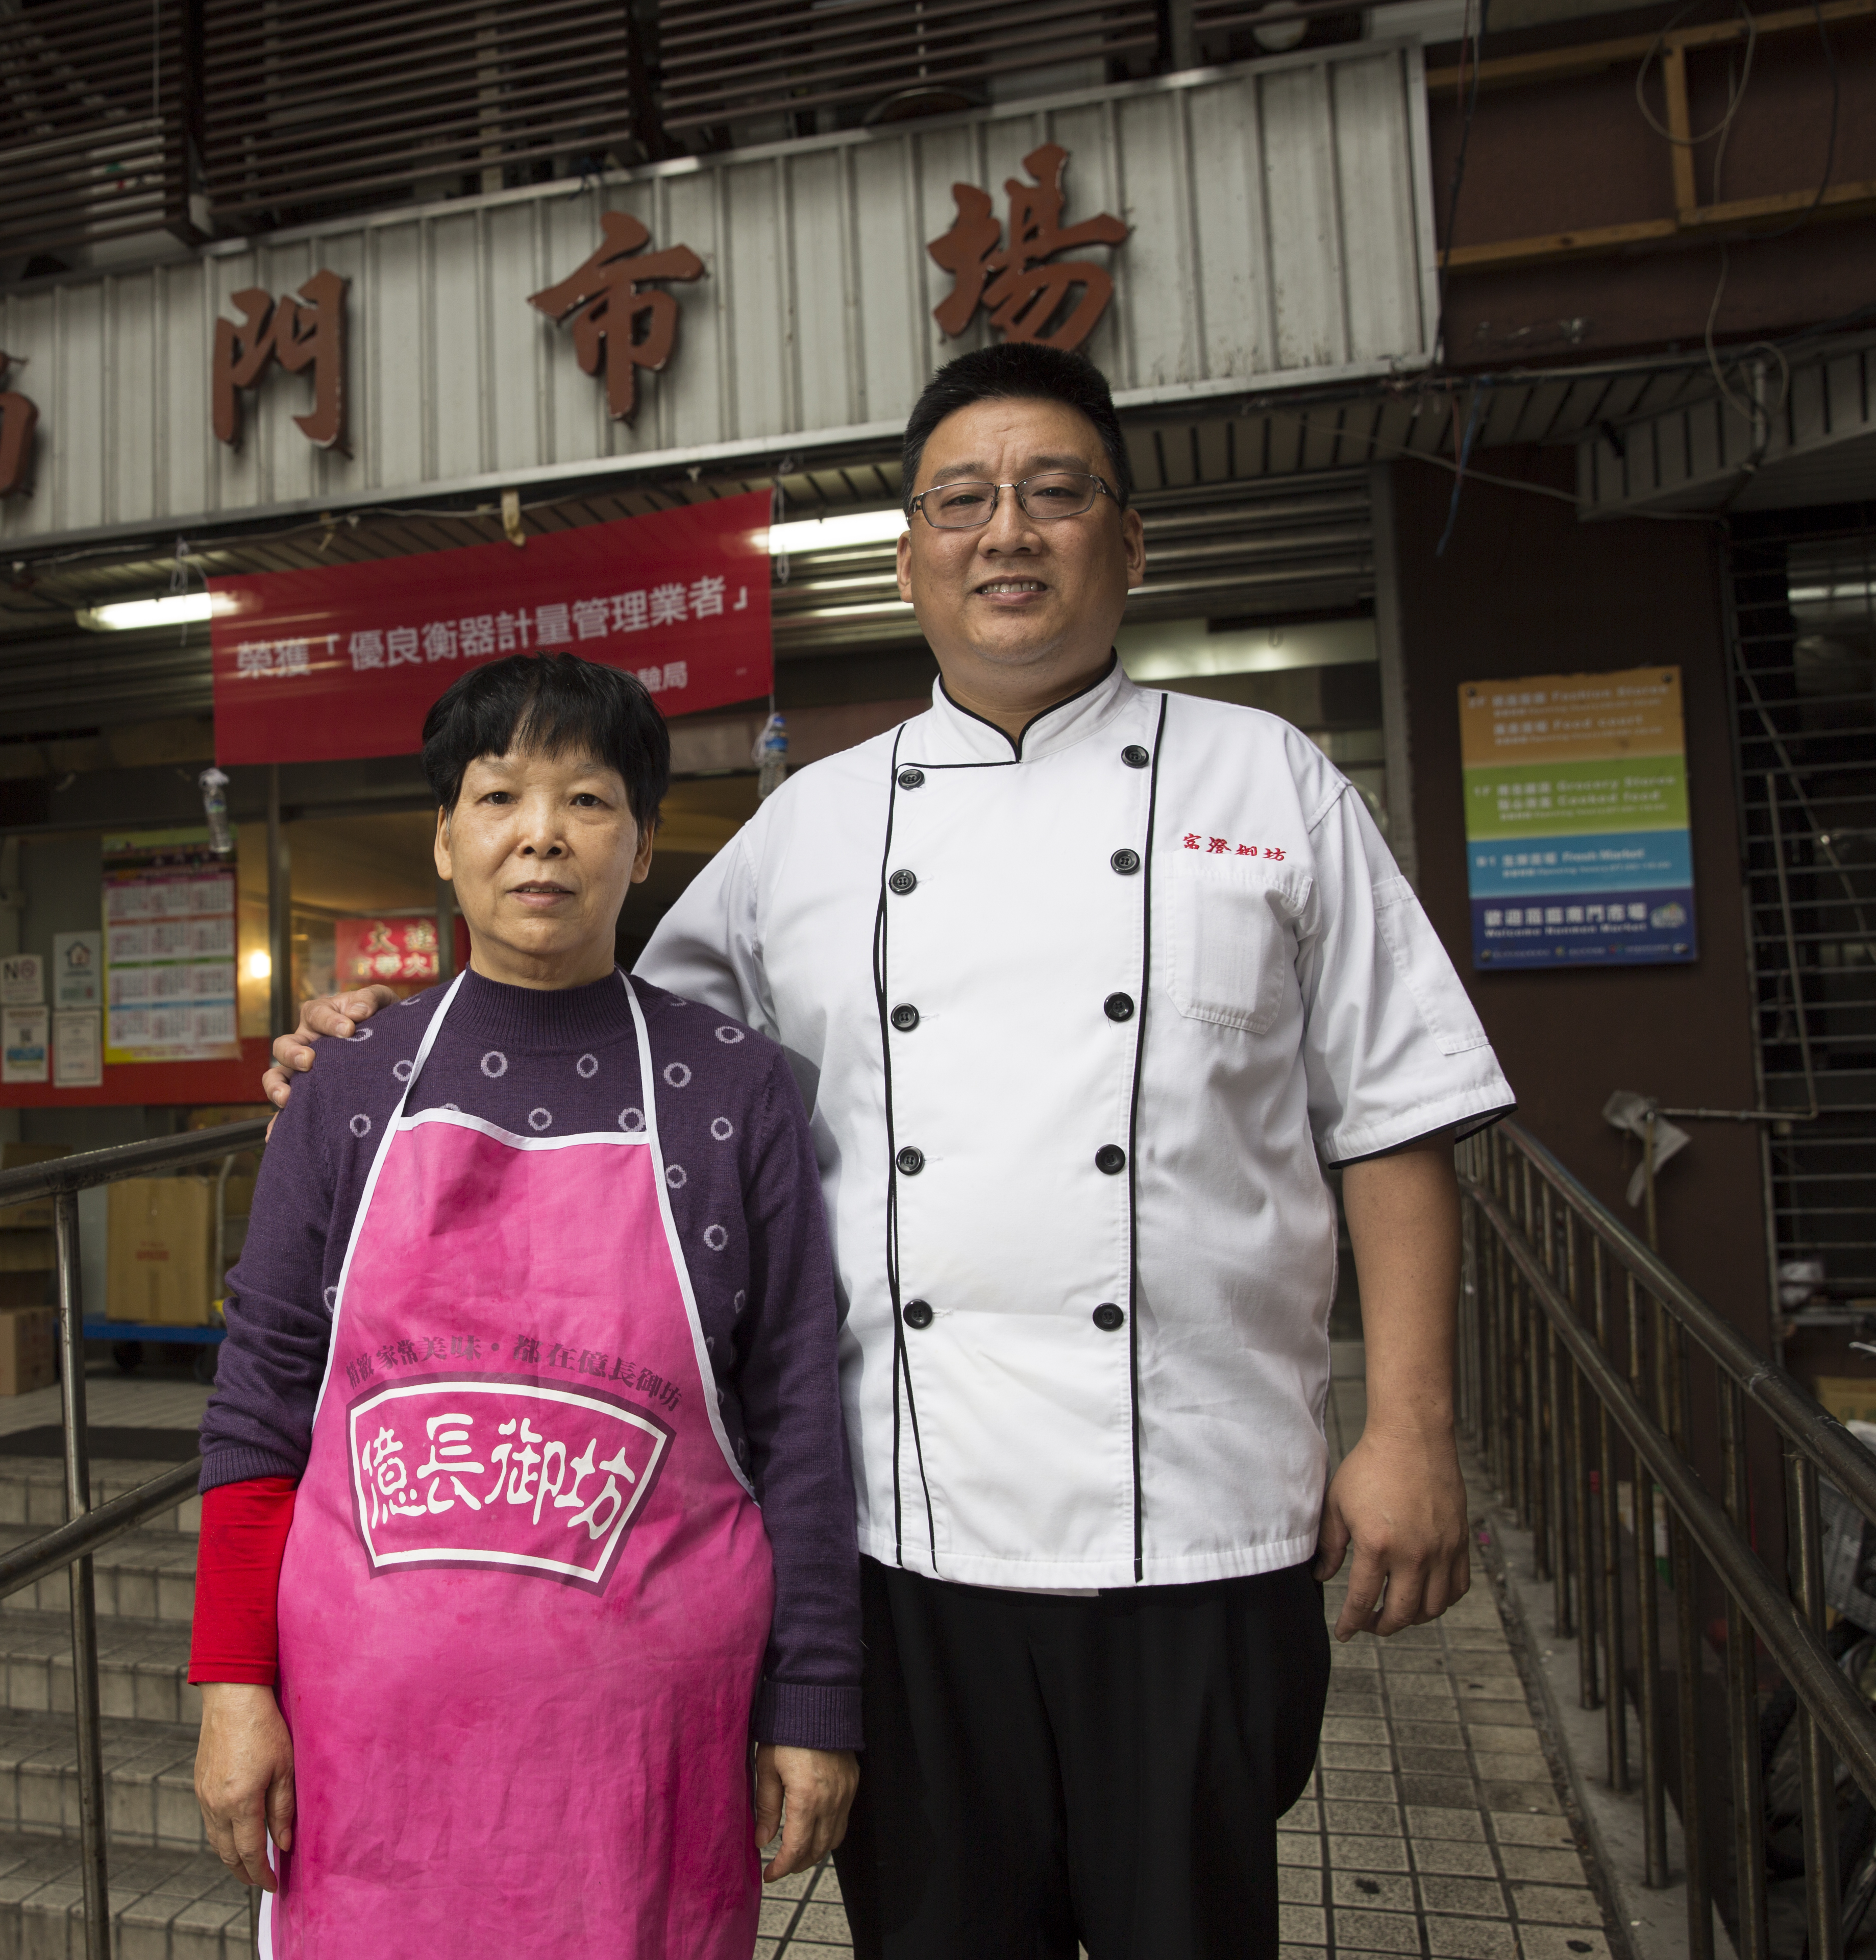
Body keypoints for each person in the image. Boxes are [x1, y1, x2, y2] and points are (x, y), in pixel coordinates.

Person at [265, 341, 1515, 1956]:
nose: (1010, 532)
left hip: (1204, 1527)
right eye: (964, 501)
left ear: (1127, 547)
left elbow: (1396, 1115)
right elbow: (583, 1023)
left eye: (1057, 496)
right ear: (911, 555)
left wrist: (1409, 1425)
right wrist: (363, 1049)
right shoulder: (818, 824)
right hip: (903, 1544)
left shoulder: (1265, 782)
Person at [191, 652, 862, 1960]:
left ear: (648, 842)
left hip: (646, 1756)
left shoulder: (736, 1088)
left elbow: (799, 1418)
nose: (542, 834)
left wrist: (817, 1699)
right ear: (445, 841)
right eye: (499, 796)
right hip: (364, 1748)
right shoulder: (348, 1085)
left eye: (590, 800)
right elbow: (258, 1402)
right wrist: (231, 1687)